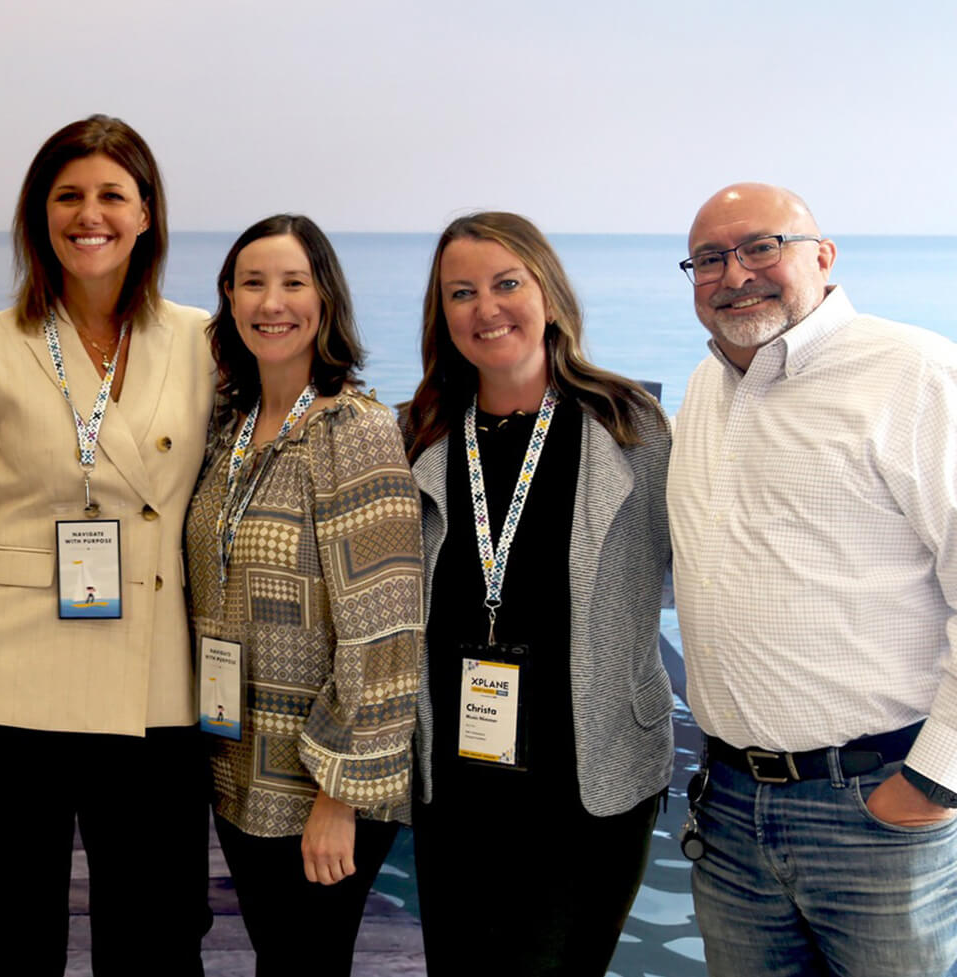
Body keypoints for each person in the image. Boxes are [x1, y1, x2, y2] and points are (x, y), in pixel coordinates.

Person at [0, 114, 214, 976]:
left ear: (147, 213)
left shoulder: (202, 340)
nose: (92, 214)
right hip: (8, 690)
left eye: (113, 194)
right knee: (11, 948)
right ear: (40, 215)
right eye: (69, 195)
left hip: (157, 690)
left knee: (156, 948)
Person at [670, 183, 957, 977]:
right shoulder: (704, 391)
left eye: (761, 247)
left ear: (823, 256)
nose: (735, 274)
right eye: (709, 259)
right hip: (727, 808)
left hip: (874, 809)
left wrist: (934, 780)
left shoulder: (917, 374)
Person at [403, 211, 674, 975]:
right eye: (461, 292)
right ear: (443, 316)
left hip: (586, 782)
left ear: (548, 294)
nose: (486, 308)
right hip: (453, 787)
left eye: (506, 283)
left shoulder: (631, 426)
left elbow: (709, 567)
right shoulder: (419, 435)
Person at [182, 214, 422, 977]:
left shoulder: (352, 429)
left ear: (326, 299)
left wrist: (340, 795)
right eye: (253, 283)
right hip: (238, 764)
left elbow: (384, 632)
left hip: (318, 776)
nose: (272, 302)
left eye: (294, 282)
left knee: (304, 966)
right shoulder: (230, 427)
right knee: (278, 959)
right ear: (228, 297)